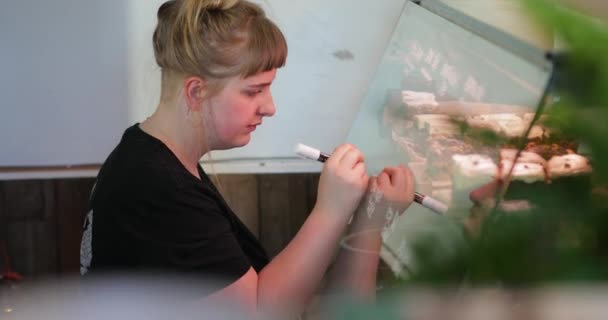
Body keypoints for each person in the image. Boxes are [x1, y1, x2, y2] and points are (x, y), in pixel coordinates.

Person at [79, 0, 415, 316]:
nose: (269, 108)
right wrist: (331, 209)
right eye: (254, 91)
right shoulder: (155, 186)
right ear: (196, 92)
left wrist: (368, 219)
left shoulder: (155, 160)